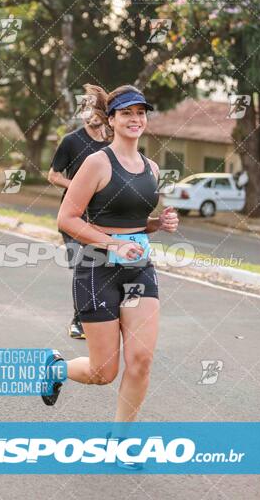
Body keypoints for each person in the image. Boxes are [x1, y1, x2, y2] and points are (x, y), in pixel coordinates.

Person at [43, 85, 178, 465]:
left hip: (139, 269)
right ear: (113, 119)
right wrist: (111, 244)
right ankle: (55, 368)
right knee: (103, 371)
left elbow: (133, 222)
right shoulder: (97, 163)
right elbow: (66, 219)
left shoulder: (151, 168)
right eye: (127, 113)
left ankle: (119, 443)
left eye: (141, 113)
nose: (136, 119)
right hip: (95, 268)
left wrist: (158, 224)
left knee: (141, 360)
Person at [48, 85, 109, 339]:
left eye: (91, 107)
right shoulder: (71, 141)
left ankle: (101, 316)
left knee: (101, 266)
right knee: (83, 264)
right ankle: (78, 321)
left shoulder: (112, 143)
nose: (87, 113)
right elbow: (53, 175)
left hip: (103, 215)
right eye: (83, 108)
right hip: (73, 213)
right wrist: (79, 187)